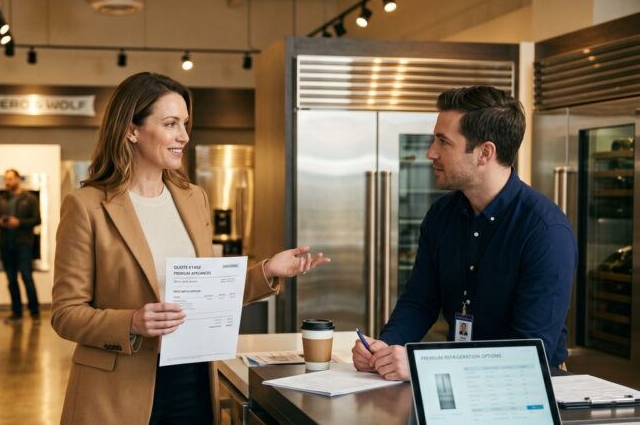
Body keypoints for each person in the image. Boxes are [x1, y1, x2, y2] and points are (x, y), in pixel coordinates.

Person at [51, 72, 330, 425]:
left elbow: (205, 293)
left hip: (193, 378)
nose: (183, 135)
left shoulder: (193, 198)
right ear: (132, 130)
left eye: (184, 123)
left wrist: (267, 271)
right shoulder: (86, 206)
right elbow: (66, 313)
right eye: (170, 124)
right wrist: (131, 322)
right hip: (117, 391)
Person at [353, 86, 576, 381]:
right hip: (456, 377)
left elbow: (529, 352)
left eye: (443, 142)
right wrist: (385, 347)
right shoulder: (441, 214)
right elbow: (420, 300)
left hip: (526, 385)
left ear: (485, 153)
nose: (430, 152)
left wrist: (424, 365)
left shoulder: (545, 232)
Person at [0, 168, 42, 323]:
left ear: (18, 179)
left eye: (10, 179)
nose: (7, 182)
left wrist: (19, 222)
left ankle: (34, 312)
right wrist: (0, 222)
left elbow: (37, 220)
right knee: (11, 280)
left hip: (24, 245)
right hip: (6, 245)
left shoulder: (30, 198)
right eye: (5, 179)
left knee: (27, 277)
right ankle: (16, 312)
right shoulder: (1, 200)